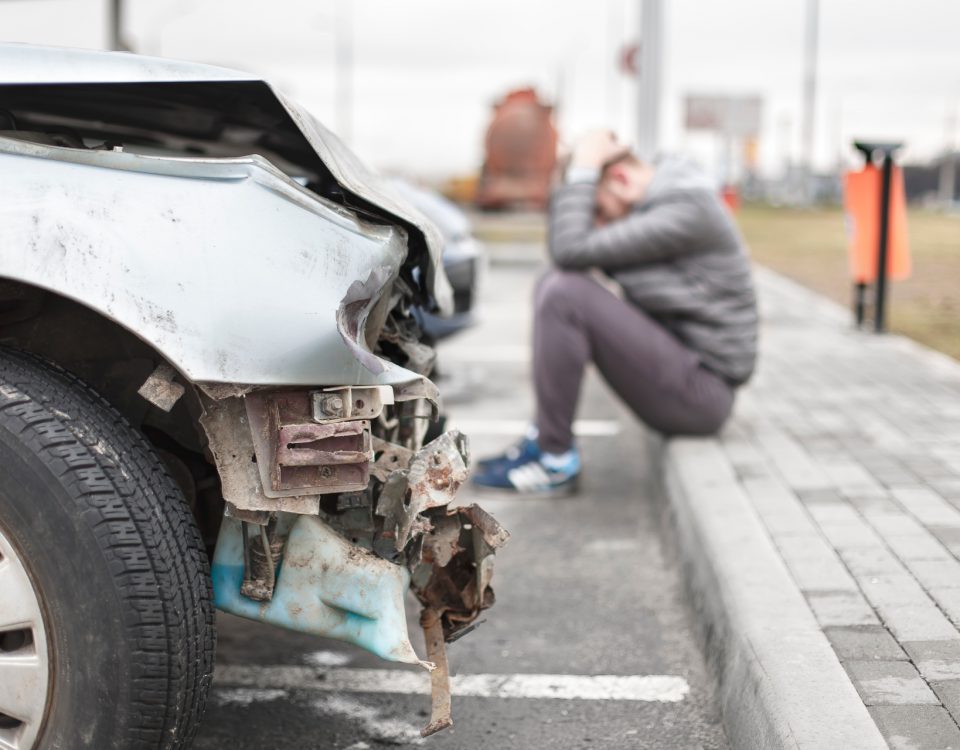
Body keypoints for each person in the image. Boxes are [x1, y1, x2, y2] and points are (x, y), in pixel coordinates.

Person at [472, 130, 758, 495]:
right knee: (557, 281)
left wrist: (584, 169)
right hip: (685, 373)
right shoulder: (671, 201)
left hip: (703, 392)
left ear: (620, 179)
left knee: (565, 292)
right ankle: (543, 438)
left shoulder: (686, 209)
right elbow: (570, 253)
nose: (599, 228)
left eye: (600, 213)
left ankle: (553, 460)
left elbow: (571, 247)